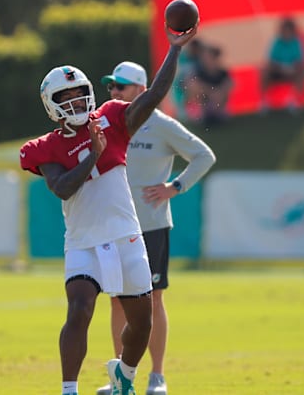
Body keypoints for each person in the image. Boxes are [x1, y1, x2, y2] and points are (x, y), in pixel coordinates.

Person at [20, 24, 197, 395]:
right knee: (80, 309)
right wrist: (94, 156)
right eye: (65, 97)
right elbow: (62, 188)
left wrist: (175, 50)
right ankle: (69, 389)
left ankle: (126, 378)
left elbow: (151, 97)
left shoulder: (112, 119)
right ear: (52, 106)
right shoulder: (45, 147)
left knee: (142, 323)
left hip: (127, 237)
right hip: (84, 241)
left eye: (79, 94)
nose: (75, 103)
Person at [96, 63, 216, 395]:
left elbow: (203, 156)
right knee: (118, 301)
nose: (115, 92)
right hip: (115, 226)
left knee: (152, 300)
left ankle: (157, 376)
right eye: (111, 87)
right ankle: (120, 378)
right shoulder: (106, 122)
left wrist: (174, 186)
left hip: (151, 226)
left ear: (141, 90)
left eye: (121, 86)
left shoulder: (161, 125)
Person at [260, 17, 304, 112]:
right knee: (264, 71)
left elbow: (300, 61)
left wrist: (292, 68)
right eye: (284, 30)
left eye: (288, 30)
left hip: (293, 71)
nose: (286, 32)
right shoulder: (276, 42)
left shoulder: (297, 42)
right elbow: (270, 61)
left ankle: (295, 100)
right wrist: (280, 67)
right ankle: (265, 102)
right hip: (277, 71)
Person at [192, 45, 233, 126]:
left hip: (219, 100)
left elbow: (230, 84)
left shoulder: (222, 72)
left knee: (221, 92)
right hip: (205, 100)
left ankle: (217, 113)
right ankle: (204, 113)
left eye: (209, 56)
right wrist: (211, 92)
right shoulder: (199, 72)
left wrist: (219, 92)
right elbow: (193, 85)